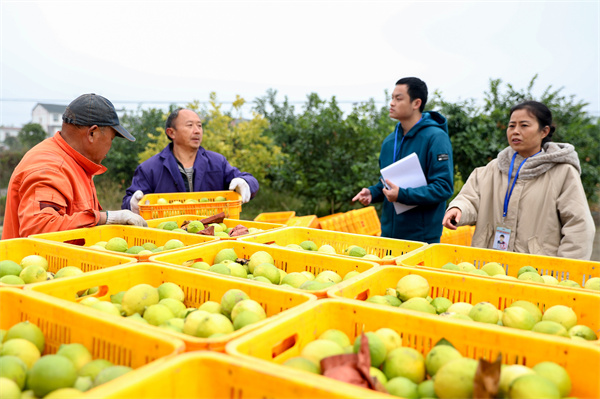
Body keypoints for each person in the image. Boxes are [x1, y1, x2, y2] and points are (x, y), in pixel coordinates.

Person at [442, 101, 595, 260]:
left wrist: (565, 270)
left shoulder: (563, 173)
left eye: (524, 125)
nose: (515, 131)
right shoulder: (493, 169)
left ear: (544, 131)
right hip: (490, 265)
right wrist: (458, 209)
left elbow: (579, 227)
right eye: (511, 125)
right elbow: (470, 198)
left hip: (537, 270)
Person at [2, 94, 147, 240]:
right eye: (111, 139)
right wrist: (107, 218)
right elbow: (40, 229)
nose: (110, 147)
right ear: (92, 133)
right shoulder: (50, 166)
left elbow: (80, 221)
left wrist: (123, 214)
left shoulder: (76, 163)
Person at [352, 77, 454, 243]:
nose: (392, 103)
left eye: (398, 99)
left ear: (416, 103)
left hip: (421, 239)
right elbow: (388, 182)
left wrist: (402, 195)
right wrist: (373, 192)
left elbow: (443, 187)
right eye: (392, 98)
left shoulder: (436, 138)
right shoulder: (389, 142)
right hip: (388, 236)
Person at [122, 108, 259, 213]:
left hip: (212, 236)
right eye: (190, 125)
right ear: (171, 133)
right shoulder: (150, 168)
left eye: (199, 126)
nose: (197, 131)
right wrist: (133, 203)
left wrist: (246, 183)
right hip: (169, 238)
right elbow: (128, 202)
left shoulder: (217, 162)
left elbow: (247, 179)